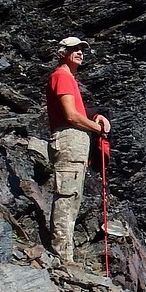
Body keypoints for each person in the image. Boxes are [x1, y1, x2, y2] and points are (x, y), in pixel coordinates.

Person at [46, 36, 110, 266]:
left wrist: (95, 116)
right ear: (63, 52)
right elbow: (71, 115)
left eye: (82, 50)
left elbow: (77, 110)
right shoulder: (62, 76)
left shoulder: (68, 78)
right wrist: (97, 129)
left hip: (75, 139)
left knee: (73, 195)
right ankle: (62, 256)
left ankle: (65, 254)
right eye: (75, 49)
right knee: (67, 194)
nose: (80, 53)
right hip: (69, 138)